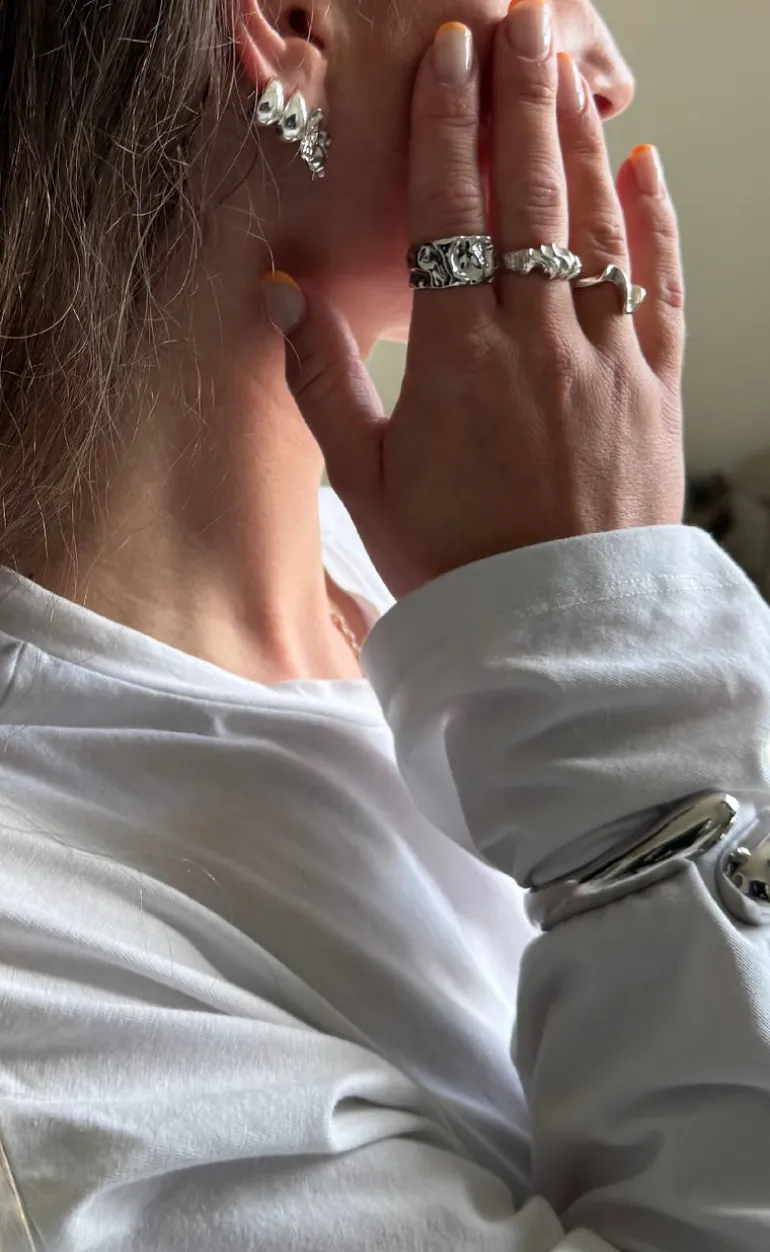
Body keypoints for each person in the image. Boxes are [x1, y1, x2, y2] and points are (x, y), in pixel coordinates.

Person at [0, 0, 768, 1248]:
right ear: (287, 21)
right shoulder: (39, 983)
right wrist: (624, 658)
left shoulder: (428, 553)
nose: (610, 67)